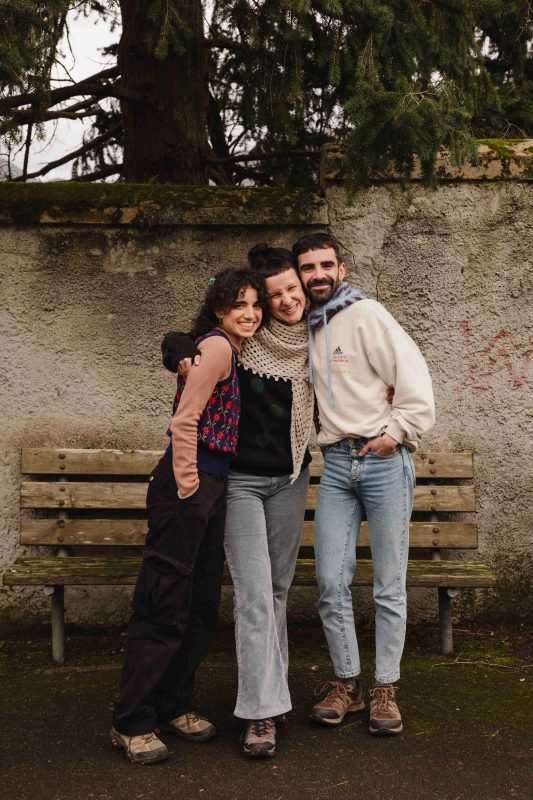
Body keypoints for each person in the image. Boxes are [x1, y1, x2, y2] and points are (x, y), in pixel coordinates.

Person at [162, 244, 314, 758]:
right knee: (253, 595)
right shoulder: (240, 341)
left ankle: (271, 697)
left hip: (290, 479)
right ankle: (259, 714)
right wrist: (176, 349)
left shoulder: (315, 338)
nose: (284, 301)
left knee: (276, 592)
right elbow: (190, 340)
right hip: (242, 483)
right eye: (273, 296)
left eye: (292, 290)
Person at [111, 268, 267, 765]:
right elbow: (184, 420)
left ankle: (172, 706)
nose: (250, 313)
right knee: (164, 604)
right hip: (190, 487)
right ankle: (132, 721)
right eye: (239, 304)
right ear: (220, 309)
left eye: (255, 305)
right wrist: (188, 484)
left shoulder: (231, 349)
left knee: (199, 606)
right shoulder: (217, 347)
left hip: (212, 487)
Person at [292, 232, 435, 736]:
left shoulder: (367, 314)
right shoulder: (304, 325)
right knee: (331, 581)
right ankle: (347, 683)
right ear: (299, 275)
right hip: (336, 464)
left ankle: (385, 688)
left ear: (342, 269)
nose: (318, 275)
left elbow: (415, 379)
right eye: (308, 267)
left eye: (325, 265)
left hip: (381, 462)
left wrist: (395, 434)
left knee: (388, 586)